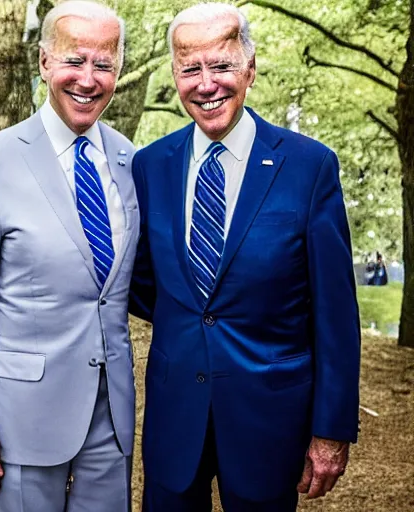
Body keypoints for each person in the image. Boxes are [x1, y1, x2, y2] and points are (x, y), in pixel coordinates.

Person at [130, 3, 361, 511]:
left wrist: (331, 429)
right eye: (191, 68)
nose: (206, 83)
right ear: (175, 74)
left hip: (270, 418)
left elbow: (336, 314)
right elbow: (149, 285)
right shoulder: (149, 166)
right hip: (174, 416)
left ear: (250, 70)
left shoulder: (310, 166)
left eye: (222, 65)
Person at [0, 2, 139, 511]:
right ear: (45, 62)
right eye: (75, 60)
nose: (88, 80)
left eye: (104, 64)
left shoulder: (130, 160)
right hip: (20, 417)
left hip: (110, 416)